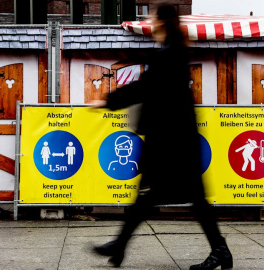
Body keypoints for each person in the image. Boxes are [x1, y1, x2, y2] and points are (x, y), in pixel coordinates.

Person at [91, 2, 233, 269]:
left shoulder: (168, 55)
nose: (150, 21)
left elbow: (144, 88)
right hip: (176, 141)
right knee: (166, 197)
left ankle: (120, 245)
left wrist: (108, 101)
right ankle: (121, 245)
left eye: (152, 17)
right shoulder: (174, 52)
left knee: (155, 197)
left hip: (171, 143)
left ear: (163, 22)